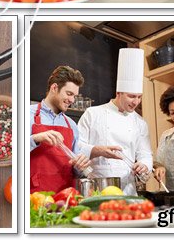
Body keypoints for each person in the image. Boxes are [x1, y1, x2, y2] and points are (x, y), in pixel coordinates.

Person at [30, 65, 122, 193]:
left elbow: (74, 168)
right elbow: (12, 152)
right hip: (34, 194)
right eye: (69, 94)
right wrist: (35, 138)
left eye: (75, 96)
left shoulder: (71, 125)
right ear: (54, 88)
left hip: (66, 196)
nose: (72, 100)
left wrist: (79, 167)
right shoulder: (27, 115)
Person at [78, 49, 153, 196]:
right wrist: (97, 150)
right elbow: (76, 148)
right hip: (98, 189)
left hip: (128, 190)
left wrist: (144, 166)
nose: (136, 102)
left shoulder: (140, 122)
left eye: (139, 97)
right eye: (132, 96)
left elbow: (145, 154)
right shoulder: (93, 113)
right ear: (118, 93)